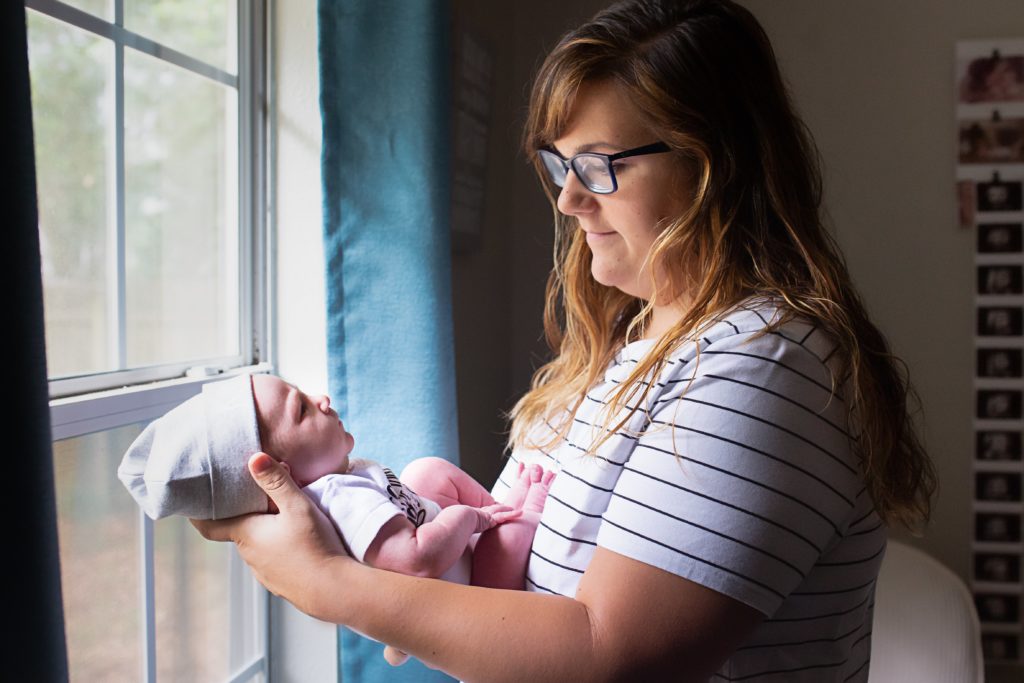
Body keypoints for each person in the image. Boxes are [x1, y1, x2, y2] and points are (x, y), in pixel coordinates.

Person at [194, 1, 936, 680]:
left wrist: (329, 582)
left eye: (599, 166)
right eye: (560, 164)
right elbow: (506, 601)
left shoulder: (767, 366)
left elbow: (606, 655)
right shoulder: (631, 340)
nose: (569, 197)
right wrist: (411, 560)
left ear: (715, 167)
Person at [118, 373, 552, 589]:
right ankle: (521, 517)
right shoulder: (338, 499)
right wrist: (466, 520)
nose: (321, 399)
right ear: (279, 472)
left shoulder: (344, 475)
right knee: (508, 538)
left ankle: (499, 511)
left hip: (441, 539)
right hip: (469, 591)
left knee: (426, 472)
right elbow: (416, 560)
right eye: (302, 410)